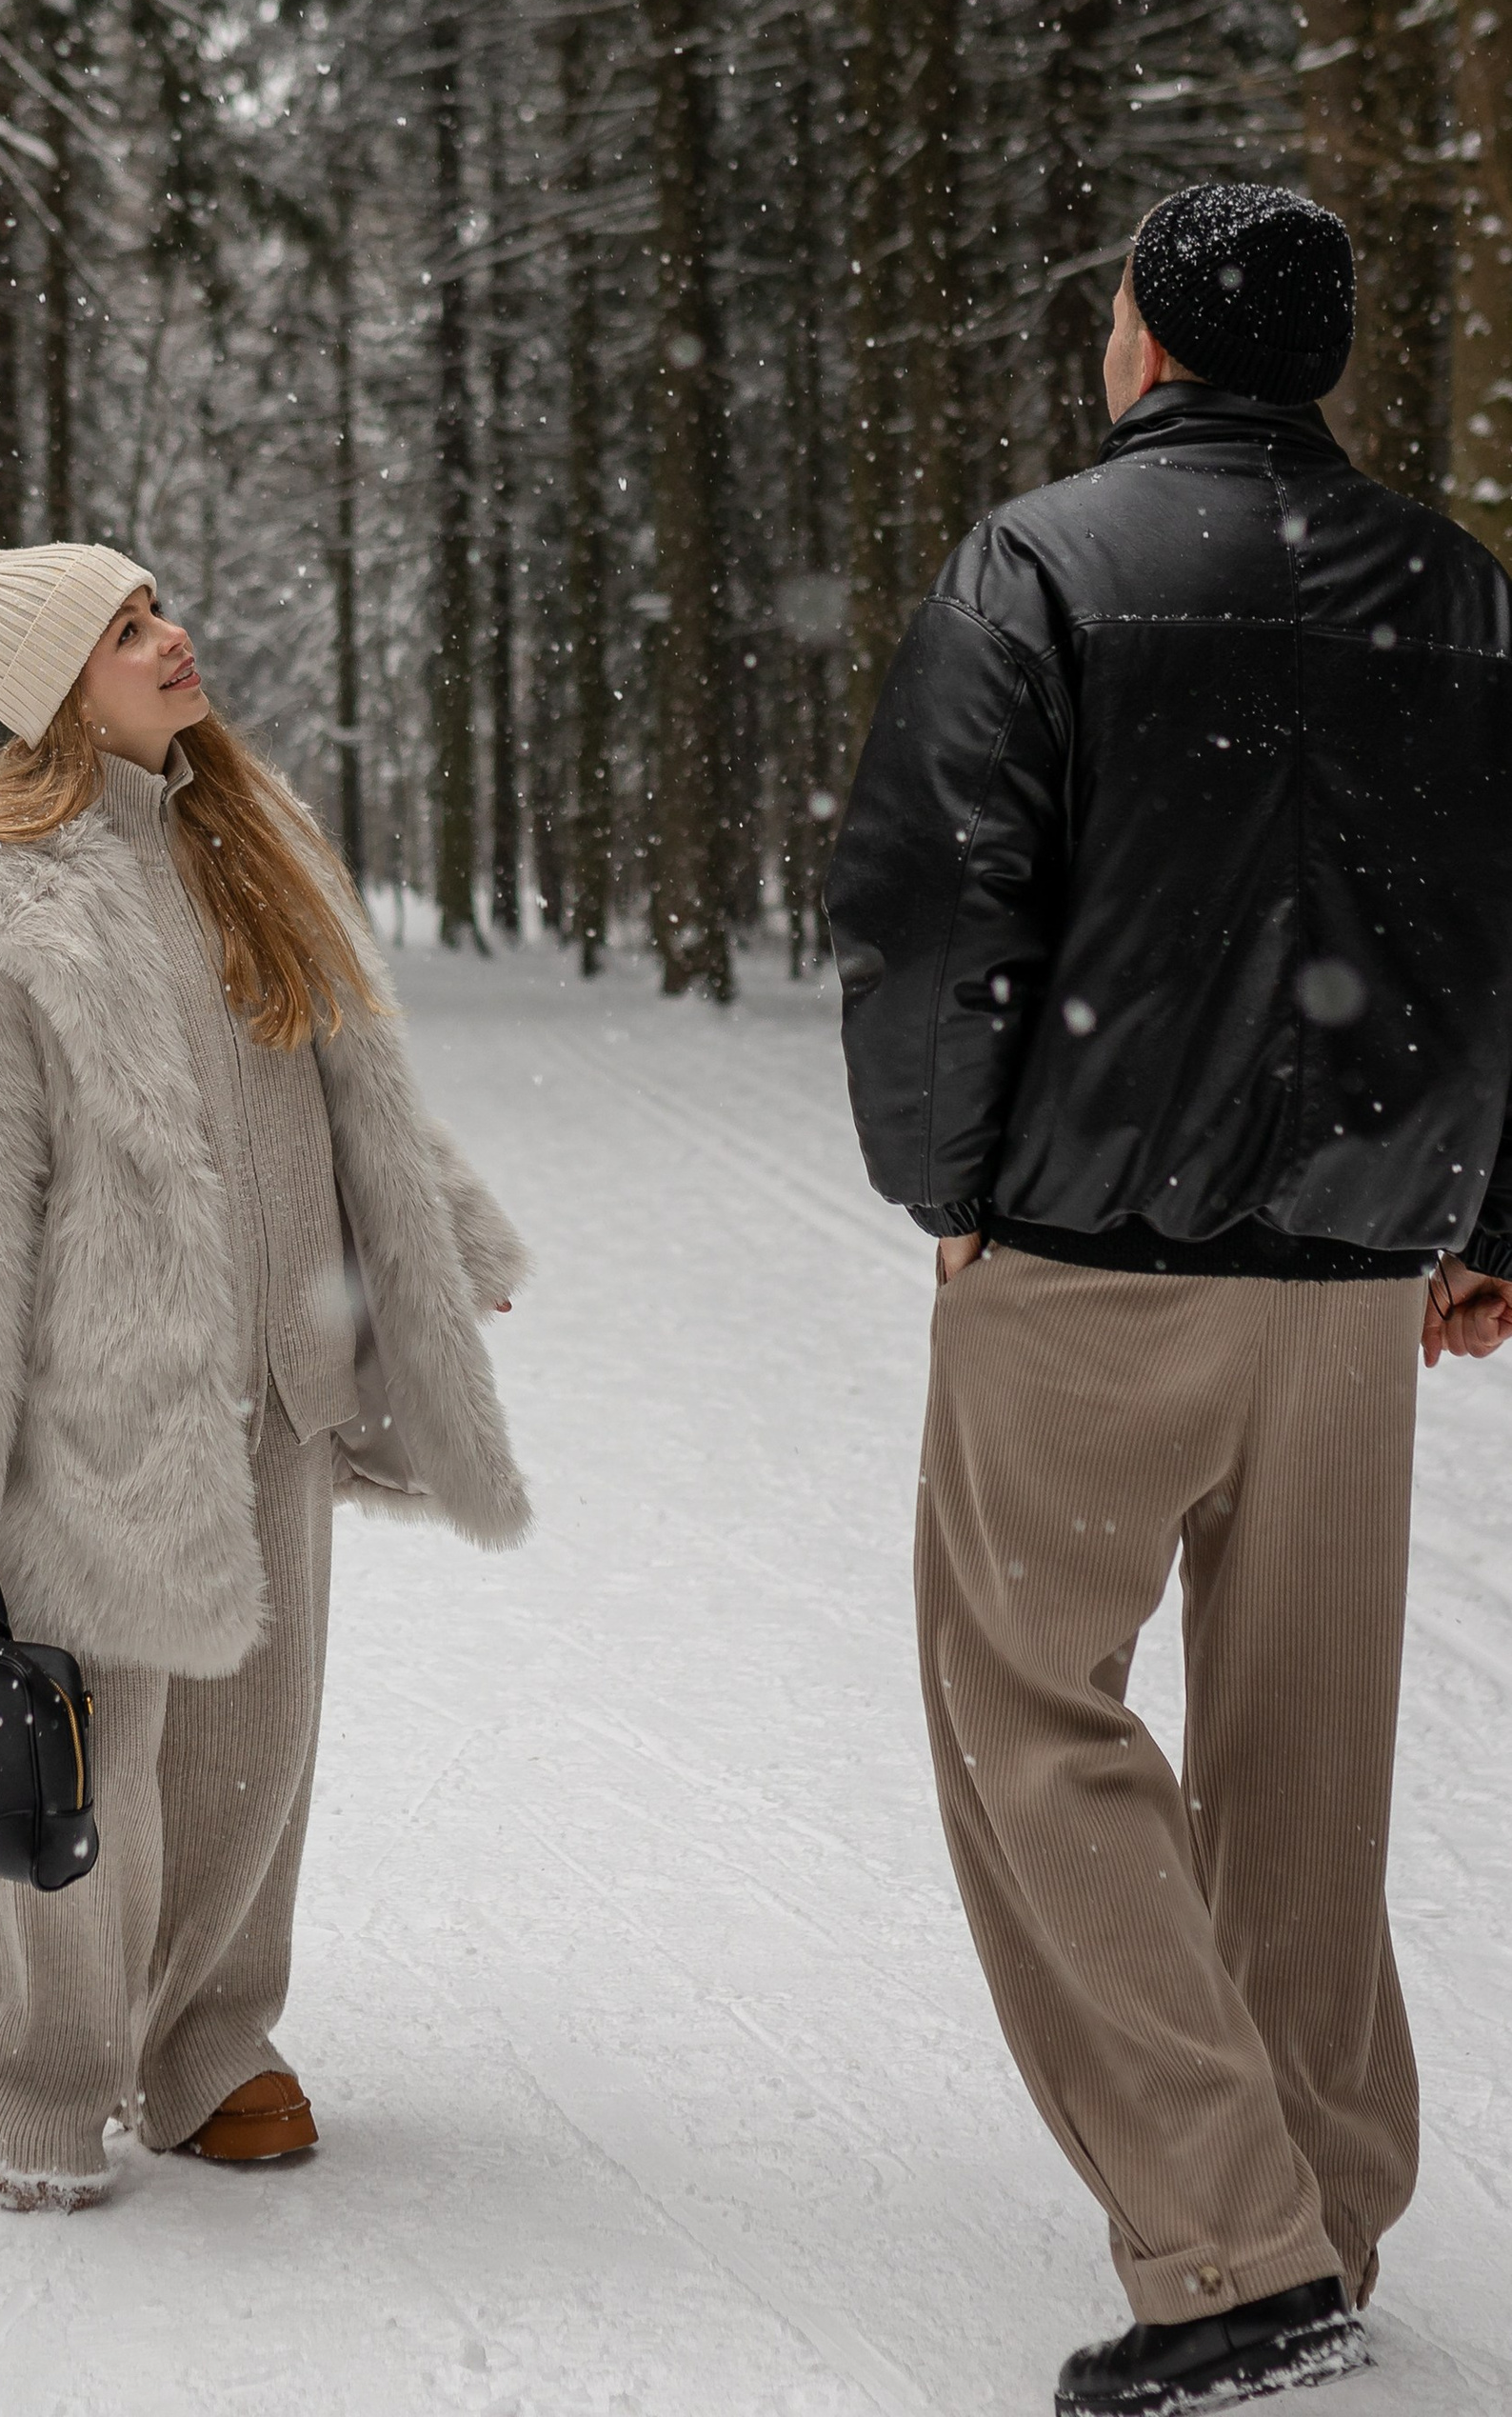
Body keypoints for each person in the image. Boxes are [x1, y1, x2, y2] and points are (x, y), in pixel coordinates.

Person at [826, 181, 1512, 2417]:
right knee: (1301, 1757)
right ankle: (1315, 2196)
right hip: (1345, 1283)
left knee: (1026, 1718)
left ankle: (1231, 2256)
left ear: (1141, 341)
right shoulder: (1455, 587)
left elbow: (936, 892)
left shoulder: (1036, 561)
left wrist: (950, 1178)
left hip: (1092, 1255)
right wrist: (1492, 1206)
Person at [0, 541, 529, 2209]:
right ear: (55, 692)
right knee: (90, 1763)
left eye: (158, 609)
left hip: (281, 1372)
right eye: (126, 630)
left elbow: (351, 1086)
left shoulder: (255, 835)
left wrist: (441, 1243)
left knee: (252, 1749)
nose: (171, 639)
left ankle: (209, 2047)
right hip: (103, 1400)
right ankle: (36, 2083)